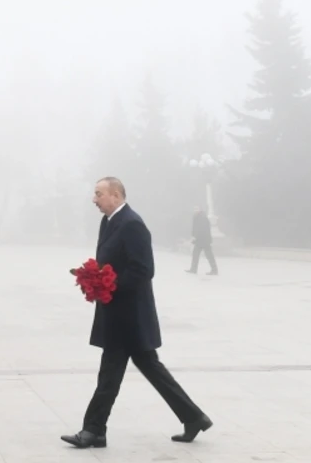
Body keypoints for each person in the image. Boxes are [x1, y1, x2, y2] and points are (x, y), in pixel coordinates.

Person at [61, 177, 213, 450]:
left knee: (110, 371)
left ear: (116, 195)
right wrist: (93, 277)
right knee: (149, 368)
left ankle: (94, 430)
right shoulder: (109, 222)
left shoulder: (132, 224)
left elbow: (144, 270)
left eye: (98, 194)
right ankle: (193, 417)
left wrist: (110, 284)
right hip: (118, 311)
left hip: (128, 315)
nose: (94, 200)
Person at [186, 205, 218, 275]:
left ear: (200, 210)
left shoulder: (202, 217)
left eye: (197, 209)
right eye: (194, 209)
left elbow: (201, 229)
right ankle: (194, 269)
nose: (195, 210)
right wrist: (194, 236)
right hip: (200, 240)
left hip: (203, 240)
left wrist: (195, 237)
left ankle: (214, 270)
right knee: (197, 254)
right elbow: (195, 228)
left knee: (208, 255)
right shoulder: (196, 217)